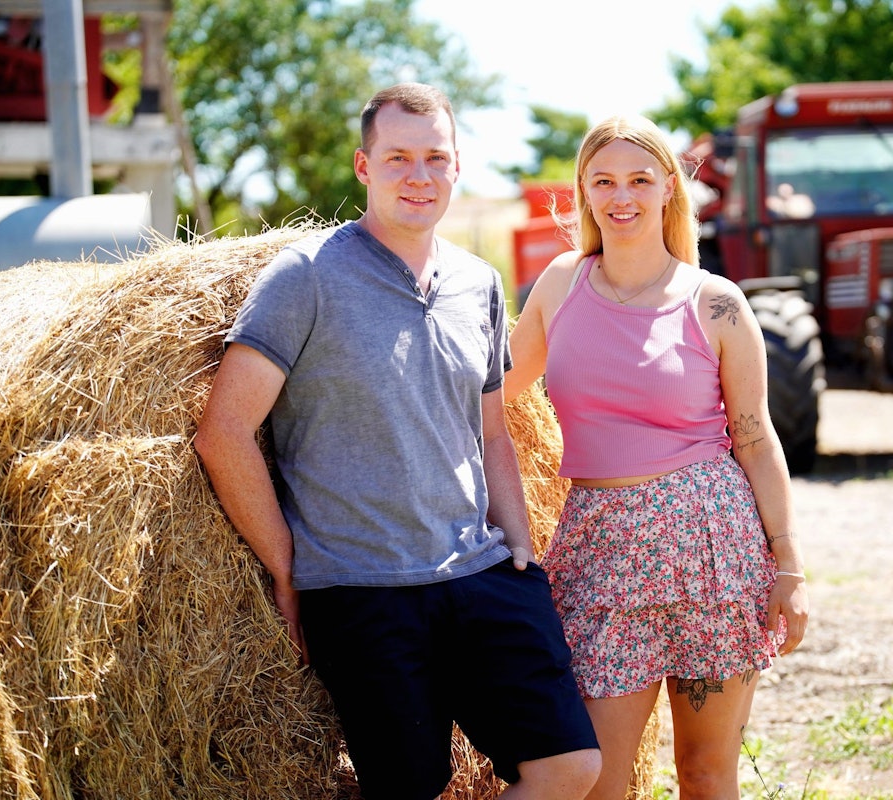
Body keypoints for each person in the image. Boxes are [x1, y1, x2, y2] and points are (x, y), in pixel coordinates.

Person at [194, 83, 600, 800]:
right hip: (362, 590)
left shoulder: (479, 282)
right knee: (408, 789)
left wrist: (519, 549)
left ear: (455, 168)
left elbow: (491, 431)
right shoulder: (306, 277)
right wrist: (291, 572)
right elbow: (223, 433)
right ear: (363, 166)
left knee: (569, 768)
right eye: (398, 158)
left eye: (434, 158)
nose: (418, 175)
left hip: (479, 573)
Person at [505, 115, 809, 800]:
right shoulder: (560, 284)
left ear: (669, 188)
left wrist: (787, 565)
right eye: (603, 180)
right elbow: (493, 395)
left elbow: (755, 438)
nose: (622, 196)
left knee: (705, 775)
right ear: (581, 191)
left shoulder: (716, 303)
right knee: (599, 781)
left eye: (640, 180)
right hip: (600, 555)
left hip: (712, 552)